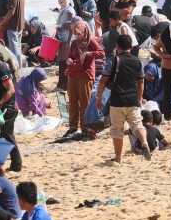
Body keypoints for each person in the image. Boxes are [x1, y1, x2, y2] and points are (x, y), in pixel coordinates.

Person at [97, 35, 147, 163]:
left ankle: (118, 158)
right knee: (137, 125)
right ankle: (144, 141)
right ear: (131, 47)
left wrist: (98, 97)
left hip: (117, 101)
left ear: (117, 47)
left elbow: (103, 81)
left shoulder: (113, 61)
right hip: (132, 100)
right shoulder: (137, 62)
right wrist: (140, 98)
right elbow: (141, 82)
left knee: (117, 130)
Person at [61, 21, 104, 141]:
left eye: (79, 33)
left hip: (85, 75)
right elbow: (69, 56)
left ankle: (85, 126)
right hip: (73, 74)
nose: (77, 36)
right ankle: (73, 127)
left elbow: (101, 53)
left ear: (85, 32)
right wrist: (69, 60)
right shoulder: (74, 43)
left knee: (85, 101)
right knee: (73, 101)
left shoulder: (91, 42)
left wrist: (88, 53)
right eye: (75, 33)